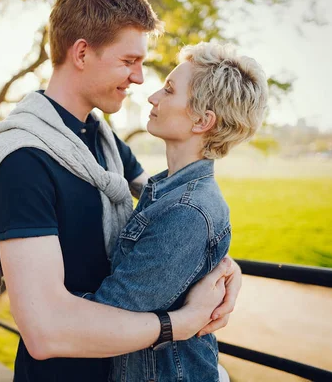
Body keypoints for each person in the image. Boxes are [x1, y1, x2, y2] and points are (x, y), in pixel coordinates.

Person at [0, 0, 243, 381]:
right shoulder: (25, 160)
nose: (139, 78)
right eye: (128, 61)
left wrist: (220, 265)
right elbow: (44, 330)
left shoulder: (101, 139)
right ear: (82, 52)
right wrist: (182, 323)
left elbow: (180, 213)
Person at [81, 42, 268, 381]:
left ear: (202, 120)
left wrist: (42, 296)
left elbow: (105, 317)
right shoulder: (168, 192)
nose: (152, 97)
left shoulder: (188, 211)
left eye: (168, 90)